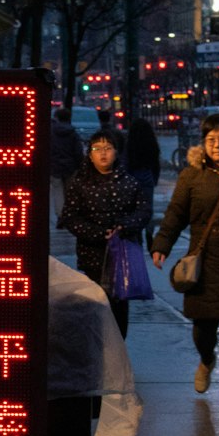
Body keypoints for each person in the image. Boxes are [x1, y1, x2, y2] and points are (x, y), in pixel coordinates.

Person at [150, 112, 219, 406]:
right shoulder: (192, 176)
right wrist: (162, 244)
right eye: (211, 139)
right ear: (203, 143)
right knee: (203, 327)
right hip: (204, 262)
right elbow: (176, 214)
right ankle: (206, 359)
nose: (218, 145)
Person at [59, 130, 151, 338]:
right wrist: (97, 233)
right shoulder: (79, 183)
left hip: (122, 256)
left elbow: (144, 211)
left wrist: (125, 227)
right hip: (92, 256)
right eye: (97, 149)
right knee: (96, 305)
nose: (103, 154)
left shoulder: (129, 182)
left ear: (116, 152)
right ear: (89, 154)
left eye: (108, 148)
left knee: (120, 307)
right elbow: (70, 217)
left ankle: (118, 348)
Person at [123, 117, 161, 249]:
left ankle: (137, 235)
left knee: (134, 209)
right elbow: (156, 164)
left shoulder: (130, 145)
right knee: (148, 208)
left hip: (133, 178)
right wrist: (154, 179)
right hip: (147, 178)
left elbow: (125, 163)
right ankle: (149, 232)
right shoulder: (152, 144)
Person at [50, 106, 86, 221]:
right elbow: (78, 152)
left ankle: (60, 214)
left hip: (55, 166)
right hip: (70, 167)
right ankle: (69, 214)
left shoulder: (51, 132)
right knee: (69, 192)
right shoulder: (73, 133)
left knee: (57, 191)